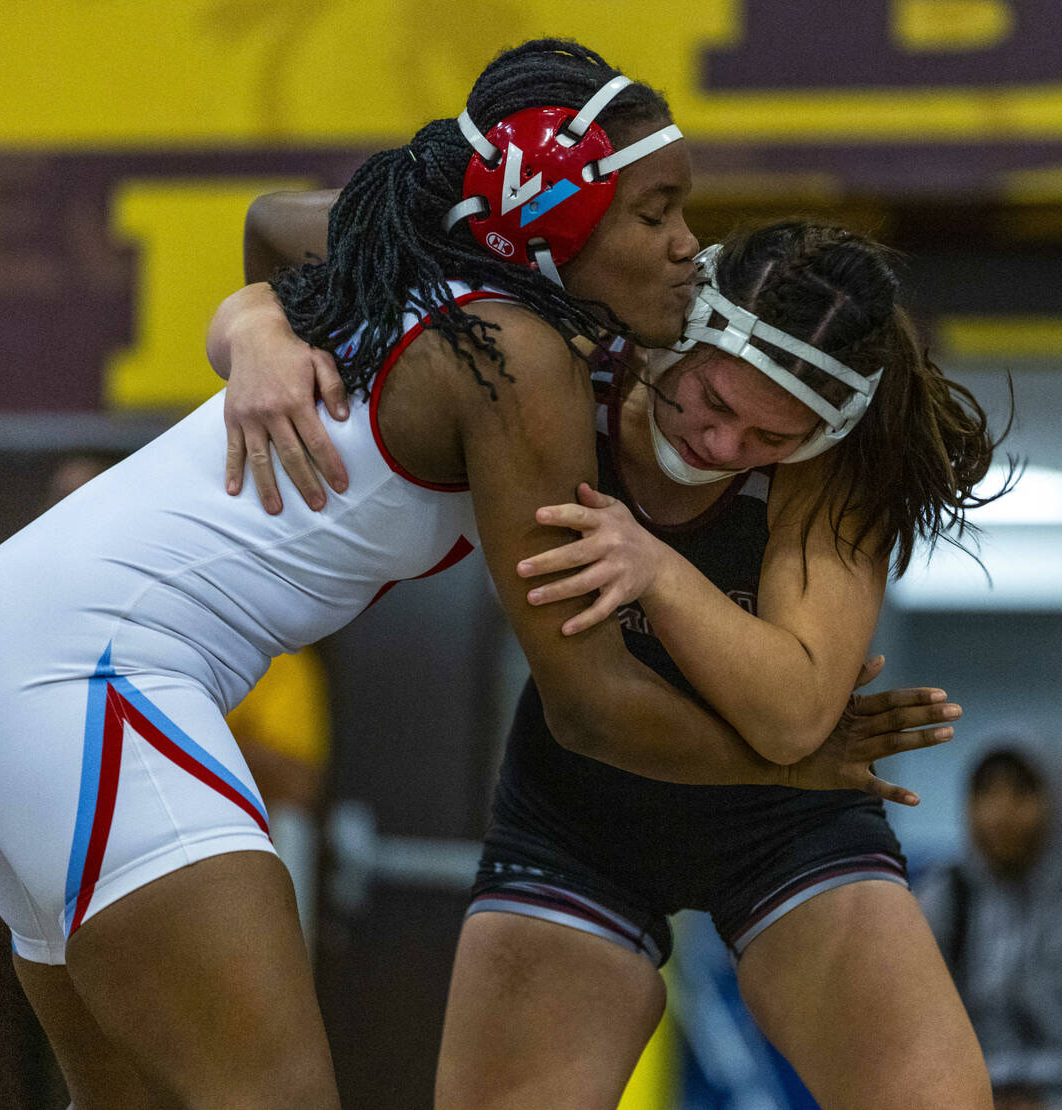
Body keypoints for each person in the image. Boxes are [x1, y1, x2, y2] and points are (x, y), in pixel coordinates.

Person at [0, 39, 962, 1110]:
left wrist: (261, 320)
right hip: (92, 667)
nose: (689, 246)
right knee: (270, 1094)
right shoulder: (533, 360)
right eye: (658, 213)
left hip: (8, 647)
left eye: (768, 434)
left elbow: (276, 222)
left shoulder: (452, 270)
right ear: (556, 214)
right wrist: (259, 328)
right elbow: (595, 706)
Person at [211, 131, 1005, 1110]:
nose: (718, 443)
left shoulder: (839, 466)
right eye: (710, 397)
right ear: (688, 318)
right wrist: (255, 328)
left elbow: (796, 714)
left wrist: (656, 570)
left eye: (767, 437)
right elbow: (277, 227)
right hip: (583, 804)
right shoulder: (580, 326)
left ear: (823, 432)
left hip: (784, 820)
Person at [919, 747, 1062, 1110]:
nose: (1000, 813)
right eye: (985, 792)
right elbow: (914, 1036)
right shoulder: (947, 898)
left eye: (1020, 792)